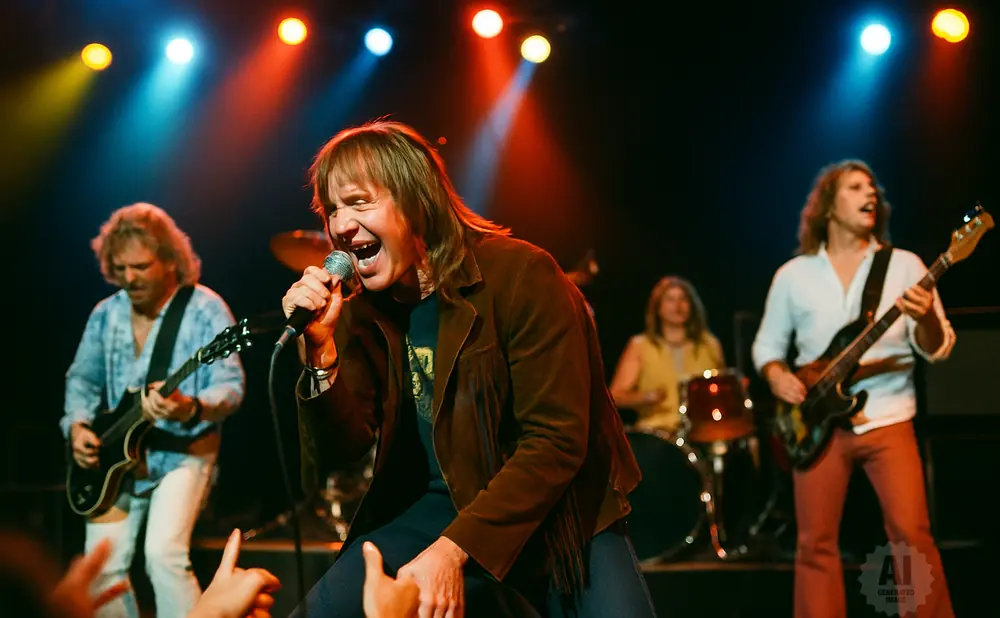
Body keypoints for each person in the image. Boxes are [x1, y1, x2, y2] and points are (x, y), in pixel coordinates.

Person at [280, 120, 654, 618]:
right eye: (332, 210)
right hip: (435, 507)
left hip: (560, 518)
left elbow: (557, 441)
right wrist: (320, 352)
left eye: (359, 202)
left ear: (416, 199)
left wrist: (453, 549)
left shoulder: (522, 275)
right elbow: (337, 454)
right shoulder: (364, 310)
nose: (341, 225)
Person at [751, 160, 956, 618]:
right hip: (818, 427)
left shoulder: (904, 265)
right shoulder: (794, 274)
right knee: (815, 543)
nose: (871, 194)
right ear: (828, 205)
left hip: (888, 415)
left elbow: (937, 347)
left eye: (873, 188)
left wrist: (923, 317)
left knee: (911, 533)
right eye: (856, 186)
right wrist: (776, 375)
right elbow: (766, 344)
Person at [60, 203, 246, 618]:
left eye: (141, 267)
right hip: (116, 460)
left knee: (163, 556)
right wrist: (77, 428)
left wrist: (189, 408)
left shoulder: (204, 309)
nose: (129, 278)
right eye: (121, 268)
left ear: (169, 261)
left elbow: (231, 388)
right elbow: (82, 380)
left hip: (184, 451)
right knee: (103, 567)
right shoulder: (105, 314)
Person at [609, 275, 725, 432]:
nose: (678, 305)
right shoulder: (641, 345)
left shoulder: (709, 344)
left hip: (704, 430)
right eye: (670, 299)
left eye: (683, 299)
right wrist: (646, 397)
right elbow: (615, 396)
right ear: (657, 308)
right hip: (658, 432)